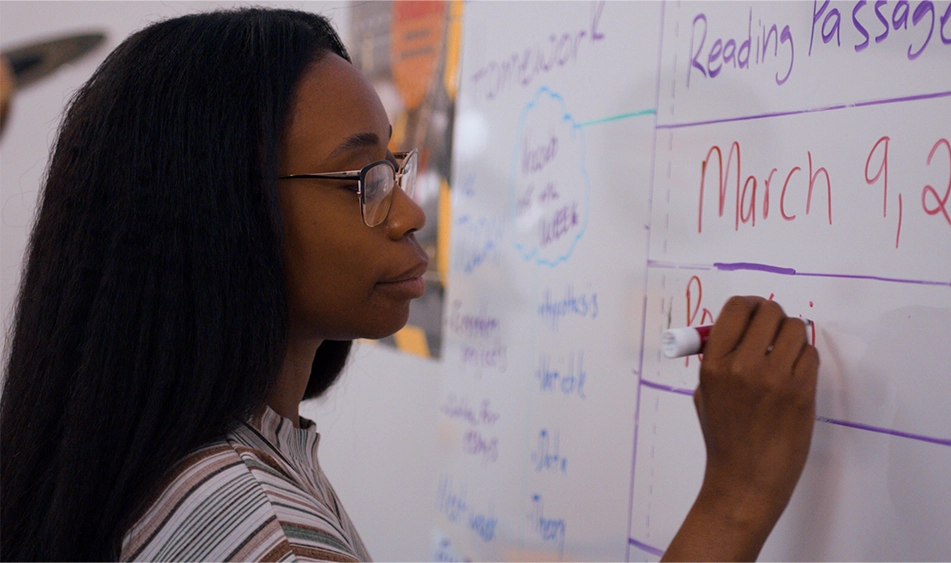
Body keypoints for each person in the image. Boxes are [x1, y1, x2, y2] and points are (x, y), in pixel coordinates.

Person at [0, 8, 818, 562]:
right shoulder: (254, 524)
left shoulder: (211, 453)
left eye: (394, 164)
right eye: (363, 176)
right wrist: (736, 501)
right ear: (219, 210)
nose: (410, 214)